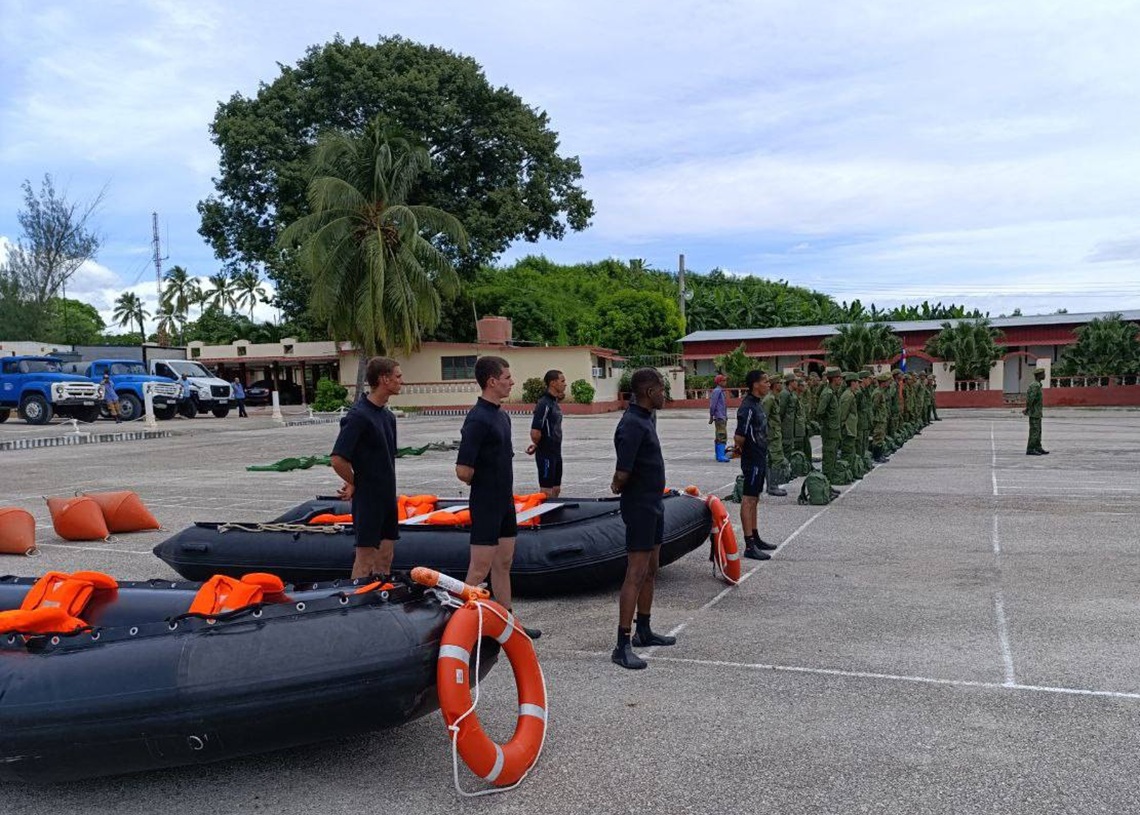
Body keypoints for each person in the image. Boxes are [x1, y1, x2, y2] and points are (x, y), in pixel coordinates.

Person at [456, 356, 541, 639]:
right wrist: (486, 482)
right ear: (492, 381)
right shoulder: (477, 419)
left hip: (504, 502)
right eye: (507, 378)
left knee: (503, 564)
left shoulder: (501, 415)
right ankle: (457, 627)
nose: (511, 382)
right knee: (479, 570)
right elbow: (463, 470)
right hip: (486, 503)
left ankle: (508, 623)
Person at [610, 368, 675, 670]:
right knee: (635, 573)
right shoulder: (633, 424)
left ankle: (644, 630)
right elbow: (622, 472)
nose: (664, 394)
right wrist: (617, 485)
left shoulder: (647, 418)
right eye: (662, 389)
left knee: (651, 569)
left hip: (654, 503)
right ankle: (622, 644)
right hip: (640, 507)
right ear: (650, 392)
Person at [330, 357, 403, 580]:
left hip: (387, 497)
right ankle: (357, 605)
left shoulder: (388, 417)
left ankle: (381, 603)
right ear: (384, 379)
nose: (402, 381)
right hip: (368, 500)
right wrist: (354, 482)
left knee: (385, 557)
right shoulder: (358, 416)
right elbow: (338, 458)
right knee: (365, 560)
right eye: (398, 376)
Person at [734, 369, 778, 561]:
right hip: (752, 459)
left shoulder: (758, 404)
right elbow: (739, 436)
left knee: (755, 498)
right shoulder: (747, 407)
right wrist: (747, 451)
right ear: (755, 384)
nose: (768, 385)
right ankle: (749, 544)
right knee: (748, 499)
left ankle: (756, 536)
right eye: (765, 381)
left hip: (760, 456)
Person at [527, 369, 565, 497]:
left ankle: (555, 516)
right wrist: (540, 445)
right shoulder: (544, 404)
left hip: (556, 452)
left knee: (556, 489)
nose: (565, 384)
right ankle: (545, 516)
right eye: (562, 381)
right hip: (546, 454)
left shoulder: (554, 402)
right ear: (553, 383)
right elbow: (535, 432)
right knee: (546, 492)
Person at [816, 367, 843, 491]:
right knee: (828, 457)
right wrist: (827, 424)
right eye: (839, 377)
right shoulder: (827, 393)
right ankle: (825, 485)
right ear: (833, 379)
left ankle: (828, 484)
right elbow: (820, 412)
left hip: (834, 430)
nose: (841, 380)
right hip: (829, 431)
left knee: (832, 457)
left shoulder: (833, 392)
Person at [762, 376, 787, 496]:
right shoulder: (769, 399)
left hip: (775, 434)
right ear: (775, 385)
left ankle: (772, 486)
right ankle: (773, 486)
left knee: (773, 460)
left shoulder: (775, 398)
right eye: (779, 383)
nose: (782, 385)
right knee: (775, 460)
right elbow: (763, 419)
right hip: (771, 436)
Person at [839, 372, 861, 479]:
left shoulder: (851, 394)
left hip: (851, 428)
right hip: (848, 429)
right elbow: (843, 414)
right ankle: (846, 473)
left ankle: (851, 472)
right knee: (847, 452)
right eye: (857, 382)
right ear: (852, 382)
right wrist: (843, 428)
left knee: (851, 451)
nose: (858, 384)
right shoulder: (848, 395)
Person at [1024, 367, 1048, 455]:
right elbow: (1031, 398)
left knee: (1038, 431)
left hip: (1037, 412)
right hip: (1034, 412)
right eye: (1043, 374)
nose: (1045, 375)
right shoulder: (1035, 385)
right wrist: (1028, 408)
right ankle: (1030, 449)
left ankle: (1038, 447)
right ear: (1039, 375)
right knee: (1034, 431)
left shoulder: (1038, 384)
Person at [708, 374, 730, 462]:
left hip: (722, 416)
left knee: (719, 435)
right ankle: (721, 455)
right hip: (719, 417)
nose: (725, 382)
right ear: (719, 382)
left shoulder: (722, 391)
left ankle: (718, 454)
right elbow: (713, 405)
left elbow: (723, 406)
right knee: (722, 435)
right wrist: (711, 416)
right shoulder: (717, 391)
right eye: (723, 380)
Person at [872, 372, 892, 463]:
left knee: (881, 437)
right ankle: (877, 456)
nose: (889, 383)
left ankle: (880, 455)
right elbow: (874, 407)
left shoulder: (881, 391)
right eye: (887, 381)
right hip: (878, 419)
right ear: (883, 382)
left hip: (882, 418)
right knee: (878, 438)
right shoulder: (878, 393)